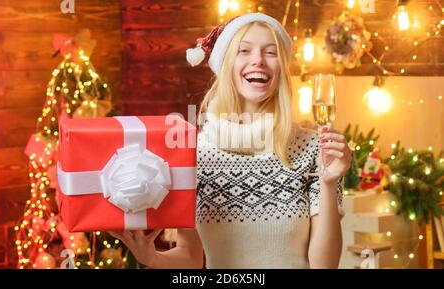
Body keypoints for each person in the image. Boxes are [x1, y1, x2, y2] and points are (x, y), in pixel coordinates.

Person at [109, 13, 351, 269]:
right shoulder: (194, 154)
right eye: (244, 50)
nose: (257, 60)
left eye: (270, 52)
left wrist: (329, 182)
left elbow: (324, 266)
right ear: (225, 64)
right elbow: (189, 258)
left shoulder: (313, 149)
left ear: (281, 68)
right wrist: (152, 258)